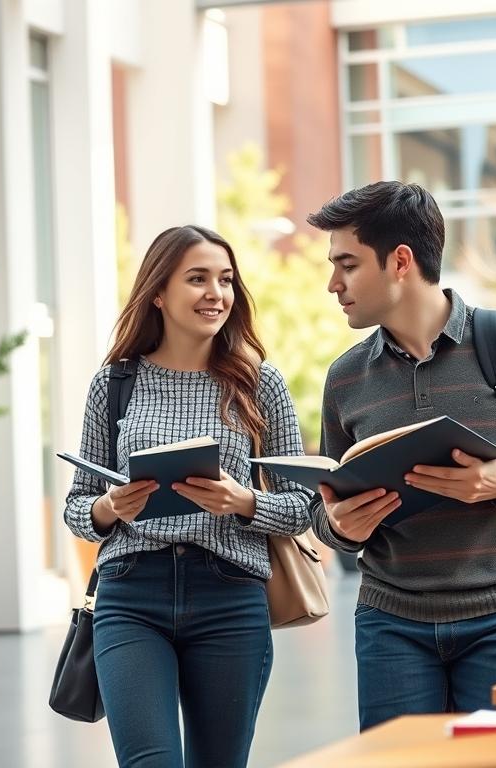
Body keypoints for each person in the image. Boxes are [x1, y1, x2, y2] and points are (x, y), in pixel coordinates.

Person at [304, 181, 496, 731]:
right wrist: (338, 527)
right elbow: (326, 506)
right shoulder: (346, 378)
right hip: (389, 622)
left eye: (348, 265)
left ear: (400, 261)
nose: (333, 284)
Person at [63, 225, 313, 768]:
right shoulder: (114, 384)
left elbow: (302, 507)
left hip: (230, 596)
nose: (215, 293)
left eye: (225, 280)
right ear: (159, 291)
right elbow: (77, 507)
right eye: (197, 279)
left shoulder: (258, 383)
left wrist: (242, 502)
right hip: (131, 594)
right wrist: (109, 508)